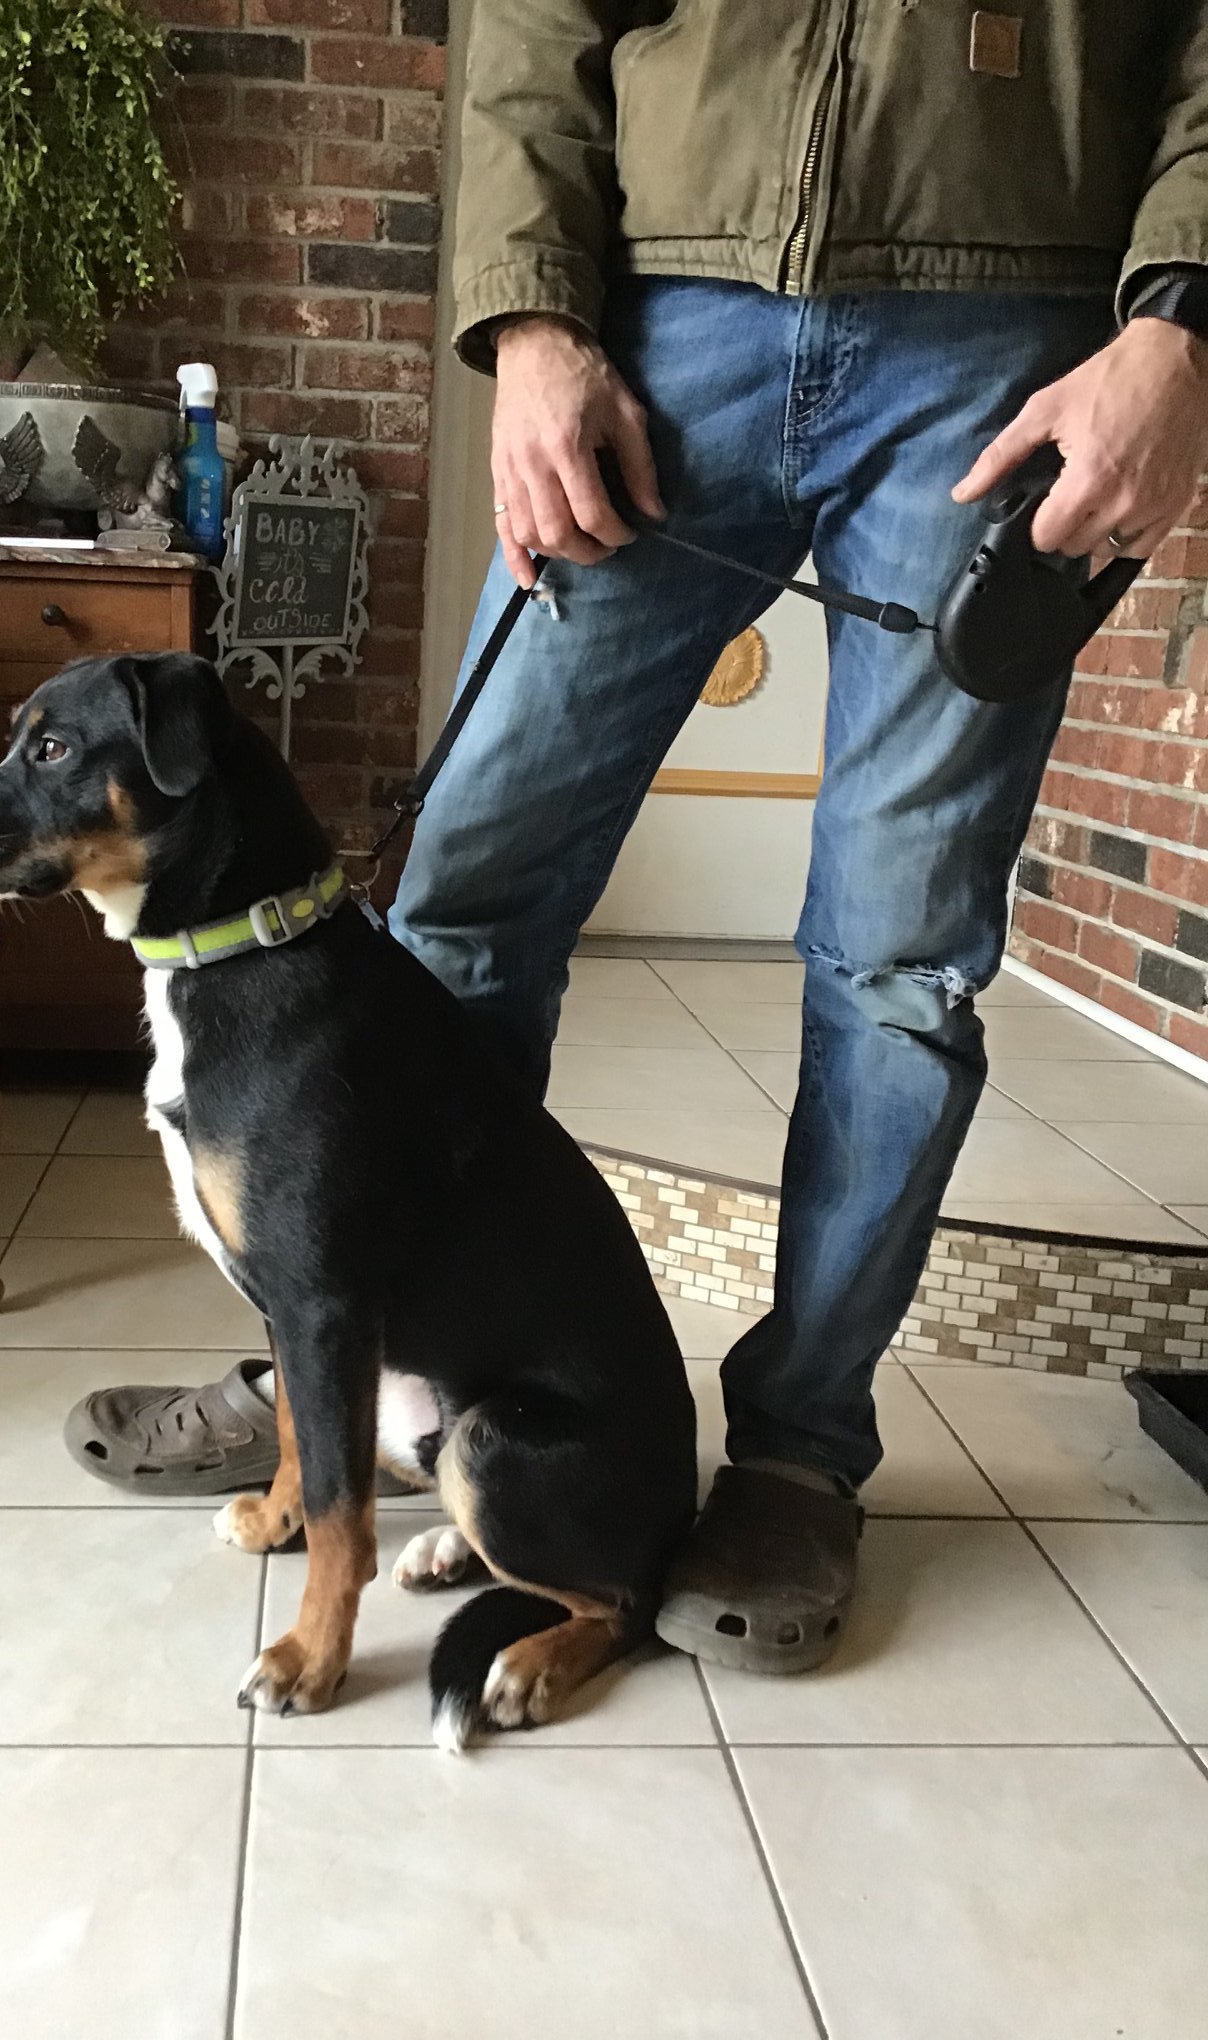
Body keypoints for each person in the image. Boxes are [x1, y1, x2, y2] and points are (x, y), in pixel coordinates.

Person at [68, 2, 1208, 1671]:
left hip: (1009, 345)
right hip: (666, 315)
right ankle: (358, 1356)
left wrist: (1179, 320)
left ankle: (798, 1453)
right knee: (458, 904)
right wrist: (532, 318)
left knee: (897, 966)